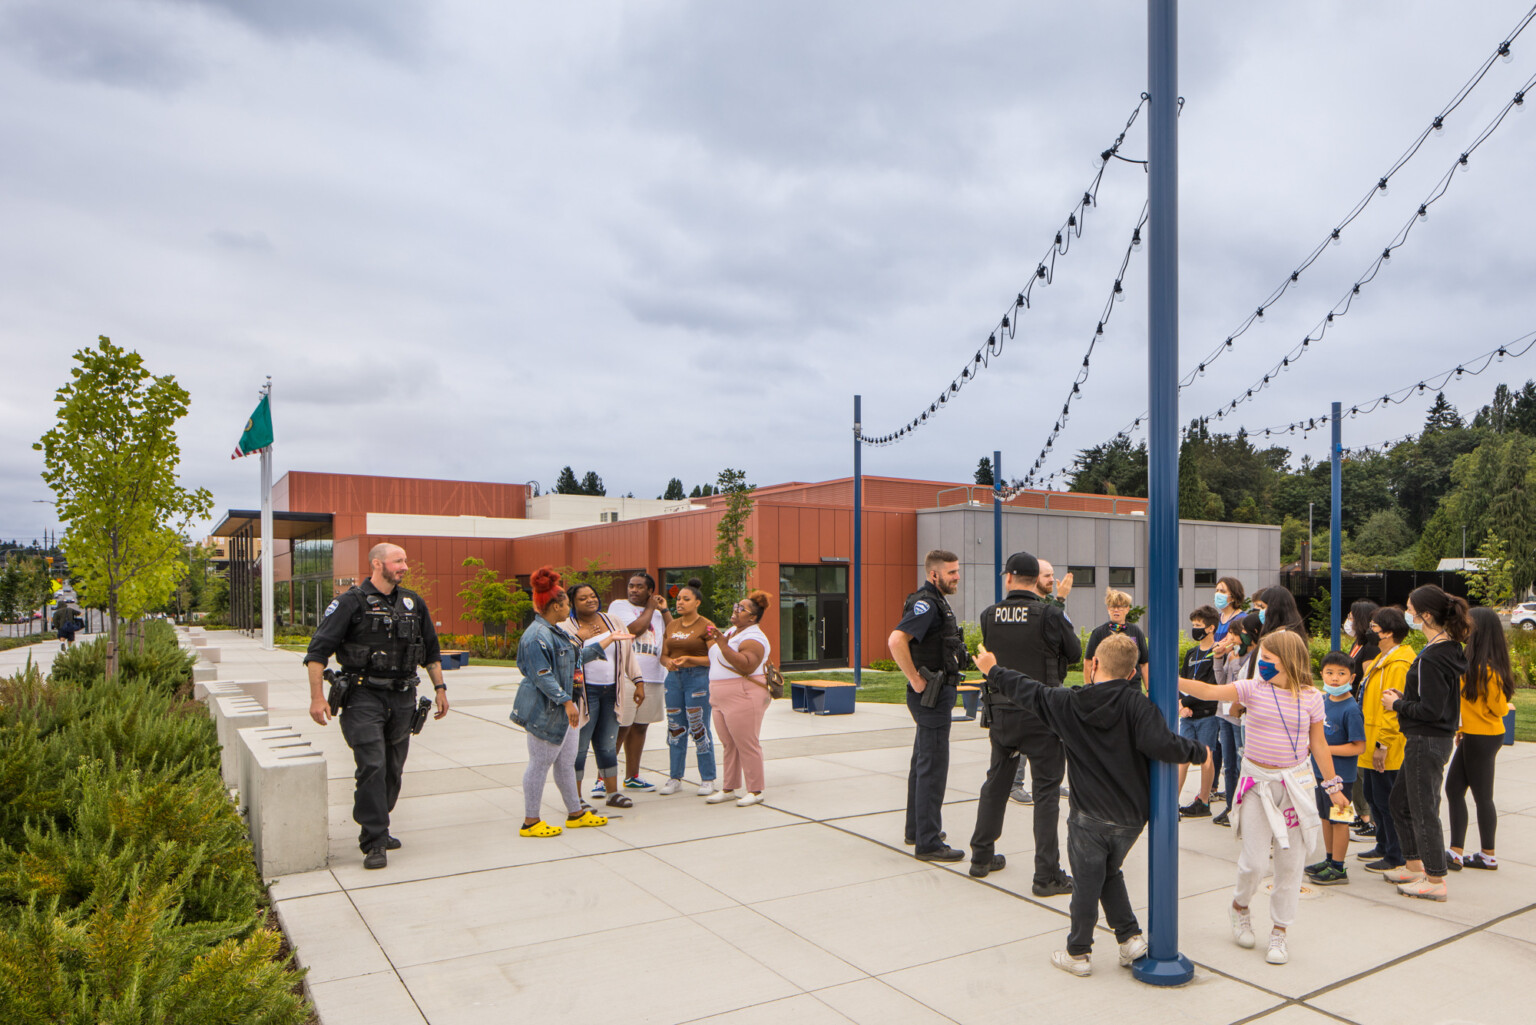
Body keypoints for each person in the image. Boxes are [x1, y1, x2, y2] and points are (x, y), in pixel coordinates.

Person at [975, 633, 1205, 977]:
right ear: (1131, 674)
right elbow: (1163, 745)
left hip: (1087, 818)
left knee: (1087, 882)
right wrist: (1199, 751)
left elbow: (1029, 691)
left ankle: (1078, 952)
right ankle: (1129, 938)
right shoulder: (1139, 706)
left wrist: (993, 670)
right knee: (1108, 872)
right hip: (1131, 818)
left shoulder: (1068, 703)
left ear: (1094, 664)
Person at [1178, 629, 1351, 967]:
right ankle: (1240, 907)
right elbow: (1209, 690)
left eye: (1269, 661)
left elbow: (1318, 743)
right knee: (1255, 862)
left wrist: (1333, 786)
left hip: (1295, 788)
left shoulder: (1313, 697)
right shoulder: (1252, 689)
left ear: (1289, 661)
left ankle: (1280, 931)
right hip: (1257, 785)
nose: (1263, 666)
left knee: (1290, 866)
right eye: (1262, 660)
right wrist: (1172, 678)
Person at [304, 543, 450, 870]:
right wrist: (316, 698)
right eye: (398, 561)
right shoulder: (349, 603)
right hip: (362, 697)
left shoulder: (413, 603)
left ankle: (379, 824)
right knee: (372, 765)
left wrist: (440, 688)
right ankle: (374, 838)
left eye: (405, 561)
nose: (405, 566)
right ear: (377, 563)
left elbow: (430, 651)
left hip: (402, 698)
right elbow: (316, 654)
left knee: (393, 769)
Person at [969, 551, 1080, 894]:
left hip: (1002, 714)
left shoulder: (989, 615)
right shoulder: (1049, 613)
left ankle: (981, 856)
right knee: (1046, 793)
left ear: (1009, 577)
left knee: (996, 784)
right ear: (1036, 580)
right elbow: (1074, 653)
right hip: (1043, 715)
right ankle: (1046, 875)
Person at [513, 568, 627, 837]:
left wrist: (606, 642)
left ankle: (575, 813)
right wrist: (566, 702)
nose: (569, 609)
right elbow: (542, 675)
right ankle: (530, 821)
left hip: (566, 710)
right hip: (547, 711)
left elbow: (573, 658)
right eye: (566, 604)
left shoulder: (554, 631)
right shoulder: (536, 636)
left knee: (566, 763)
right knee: (539, 764)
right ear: (556, 606)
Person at [1382, 584, 1469, 901]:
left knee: (1422, 809)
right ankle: (1415, 864)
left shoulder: (1433, 657)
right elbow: (1437, 703)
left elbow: (1431, 710)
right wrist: (1407, 700)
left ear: (1426, 615)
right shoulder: (1446, 650)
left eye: (1410, 608)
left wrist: (1397, 705)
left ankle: (1434, 879)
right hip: (1430, 738)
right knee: (1400, 803)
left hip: (1426, 740)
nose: (1407, 614)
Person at [888, 550, 967, 862]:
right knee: (932, 768)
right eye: (951, 572)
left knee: (922, 763)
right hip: (931, 695)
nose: (957, 576)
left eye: (957, 571)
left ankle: (917, 830)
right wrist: (915, 679)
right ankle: (929, 843)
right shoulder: (927, 603)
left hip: (933, 695)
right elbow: (896, 640)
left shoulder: (936, 601)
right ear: (934, 574)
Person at [1445, 606, 1515, 871]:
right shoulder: (1473, 663)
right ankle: (1457, 851)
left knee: (1482, 796)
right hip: (1474, 735)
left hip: (1484, 736)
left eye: (1468, 624)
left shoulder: (1488, 670)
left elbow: (1499, 709)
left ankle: (1486, 855)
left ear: (1479, 631)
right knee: (1454, 789)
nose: (1463, 627)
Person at [558, 583, 639, 809]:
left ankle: (612, 794)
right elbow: (565, 658)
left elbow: (628, 653)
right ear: (573, 603)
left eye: (593, 596)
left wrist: (637, 680)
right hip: (584, 694)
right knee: (579, 747)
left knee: (607, 744)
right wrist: (580, 637)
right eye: (583, 598)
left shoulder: (613, 621)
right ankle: (576, 799)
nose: (590, 600)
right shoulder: (566, 626)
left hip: (611, 690)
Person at [1010, 557, 1075, 804]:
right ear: (1033, 578)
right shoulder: (1033, 608)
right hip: (1030, 684)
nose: (1053, 580)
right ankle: (1015, 784)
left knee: (1053, 733)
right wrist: (1060, 600)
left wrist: (1059, 601)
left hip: (1050, 682)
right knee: (1023, 736)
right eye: (1048, 575)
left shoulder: (1046, 606)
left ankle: (1051, 780)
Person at [705, 589, 775, 807]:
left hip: (743, 694)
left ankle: (755, 790)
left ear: (752, 617)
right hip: (720, 696)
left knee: (747, 743)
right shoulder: (733, 631)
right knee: (729, 744)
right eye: (736, 606)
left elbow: (747, 664)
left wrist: (721, 642)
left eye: (741, 609)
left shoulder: (754, 637)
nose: (735, 610)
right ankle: (729, 787)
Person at [1355, 607, 1412, 872]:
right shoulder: (1383, 658)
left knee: (1388, 801)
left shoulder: (1398, 664)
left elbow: (1393, 708)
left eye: (1375, 626)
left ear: (1388, 632)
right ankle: (1383, 844)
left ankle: (1395, 853)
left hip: (1385, 746)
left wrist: (1383, 745)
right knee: (1373, 796)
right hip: (1370, 740)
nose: (1370, 630)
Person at [1305, 653, 1366, 885]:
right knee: (1325, 817)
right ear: (1322, 675)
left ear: (1351, 677)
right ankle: (1329, 860)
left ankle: (1339, 868)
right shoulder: (1324, 702)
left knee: (1340, 820)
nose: (1334, 679)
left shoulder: (1351, 709)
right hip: (1321, 774)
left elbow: (1359, 747)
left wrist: (1325, 749)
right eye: (1329, 673)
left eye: (1341, 674)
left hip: (1343, 778)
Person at [658, 579, 719, 796]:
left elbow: (715, 658)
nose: (680, 603)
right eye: (678, 599)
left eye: (686, 599)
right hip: (674, 679)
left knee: (699, 727)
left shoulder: (706, 625)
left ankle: (708, 778)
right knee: (675, 728)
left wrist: (690, 659)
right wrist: (667, 662)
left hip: (698, 679)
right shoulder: (672, 625)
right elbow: (664, 654)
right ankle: (675, 777)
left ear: (697, 602)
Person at [609, 573, 669, 791]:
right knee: (620, 727)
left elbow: (671, 633)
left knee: (640, 727)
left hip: (653, 676)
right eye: (631, 586)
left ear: (650, 591)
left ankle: (632, 777)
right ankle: (602, 779)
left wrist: (664, 610)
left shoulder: (659, 613)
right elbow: (632, 631)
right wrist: (651, 609)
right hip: (627, 677)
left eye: (639, 587)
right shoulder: (619, 606)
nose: (633, 590)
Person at [1210, 610, 1261, 827]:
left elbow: (1244, 685)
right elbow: (1221, 680)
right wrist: (1219, 658)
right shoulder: (1232, 654)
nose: (1234, 637)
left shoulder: (1254, 655)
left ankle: (1243, 808)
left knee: (1242, 763)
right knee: (1229, 765)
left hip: (1239, 715)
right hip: (1224, 712)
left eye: (1238, 633)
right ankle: (1231, 805)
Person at [1176, 605, 1222, 819]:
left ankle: (1203, 799)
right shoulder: (1191, 654)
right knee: (1182, 758)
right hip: (1187, 714)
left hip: (1207, 714)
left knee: (1206, 757)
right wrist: (1180, 704)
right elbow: (1182, 681)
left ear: (1211, 628)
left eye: (1198, 626)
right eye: (1193, 625)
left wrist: (1186, 700)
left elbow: (1210, 687)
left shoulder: (1217, 653)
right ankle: (1171, 800)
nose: (1195, 629)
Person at [1344, 599, 1381, 834]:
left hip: (1360, 710)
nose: (1347, 621)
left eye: (1350, 616)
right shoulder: (1357, 644)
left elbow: (1367, 680)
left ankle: (1369, 818)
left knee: (1359, 769)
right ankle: (1361, 813)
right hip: (1349, 707)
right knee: (1353, 770)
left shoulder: (1369, 647)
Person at [1084, 590, 1149, 690]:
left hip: (1132, 687)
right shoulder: (1098, 633)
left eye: (1120, 607)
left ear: (1127, 609)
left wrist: (1148, 690)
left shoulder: (1136, 631)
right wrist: (1088, 688)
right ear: (1108, 609)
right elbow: (1088, 663)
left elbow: (1144, 664)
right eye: (1113, 607)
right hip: (1105, 687)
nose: (1116, 610)